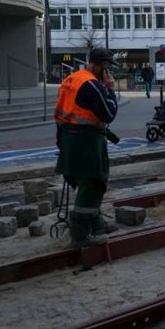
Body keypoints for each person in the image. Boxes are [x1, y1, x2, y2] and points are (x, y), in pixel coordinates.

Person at [54, 48, 119, 247]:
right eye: (108, 68)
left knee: (85, 185)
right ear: (101, 66)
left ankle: (96, 223)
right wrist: (109, 89)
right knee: (91, 187)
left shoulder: (73, 78)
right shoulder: (91, 85)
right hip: (86, 143)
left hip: (69, 139)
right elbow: (109, 113)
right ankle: (80, 235)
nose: (109, 73)